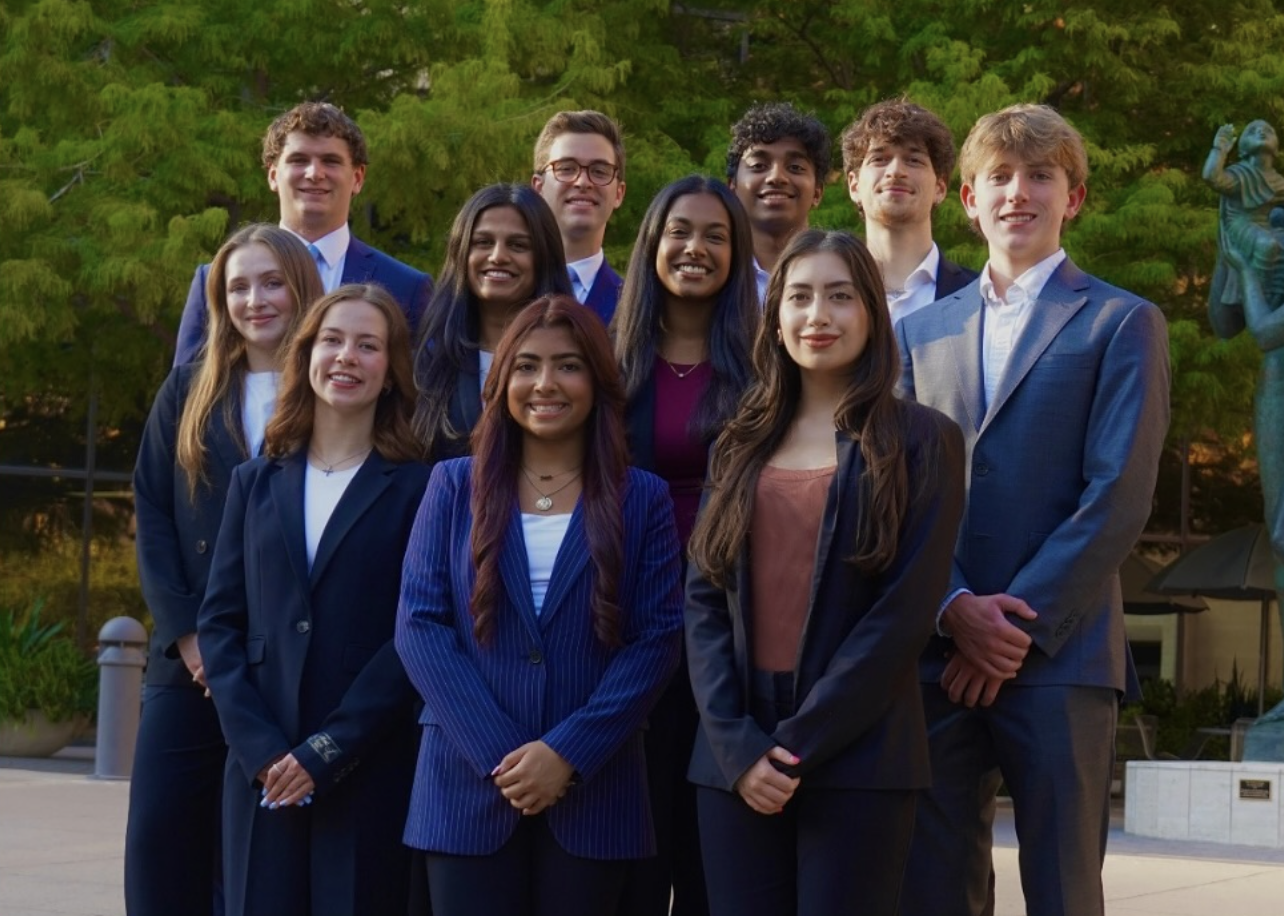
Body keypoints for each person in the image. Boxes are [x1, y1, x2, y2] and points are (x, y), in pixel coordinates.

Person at [896, 104, 1170, 916]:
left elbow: (1118, 496)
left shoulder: (1124, 322)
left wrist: (1007, 629)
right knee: (935, 889)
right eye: (1000, 178)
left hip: (1060, 659)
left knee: (1063, 892)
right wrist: (952, 608)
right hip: (939, 660)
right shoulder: (920, 335)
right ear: (969, 201)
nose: (1020, 192)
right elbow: (903, 496)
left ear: (1073, 198)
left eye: (1041, 176)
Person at [684, 229, 965, 916]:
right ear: (775, 318)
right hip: (736, 752)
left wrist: (797, 746)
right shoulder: (737, 443)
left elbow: (904, 611)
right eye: (801, 297)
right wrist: (738, 745)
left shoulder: (924, 440)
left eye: (840, 297)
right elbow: (703, 598)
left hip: (862, 749)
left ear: (871, 314)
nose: (819, 316)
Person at [396, 295, 684, 916]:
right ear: (501, 382)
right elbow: (419, 626)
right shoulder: (451, 485)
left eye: (568, 366)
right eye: (526, 366)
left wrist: (567, 754)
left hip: (595, 791)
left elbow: (658, 639)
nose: (545, 383)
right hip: (466, 788)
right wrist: (502, 753)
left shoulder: (644, 499)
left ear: (597, 381)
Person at [197, 284, 429, 916]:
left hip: (368, 768)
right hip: (262, 773)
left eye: (367, 345)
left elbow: (416, 632)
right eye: (332, 340)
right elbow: (219, 623)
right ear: (306, 358)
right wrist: (264, 751)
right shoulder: (255, 480)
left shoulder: (423, 487)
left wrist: (328, 751)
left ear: (390, 371)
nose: (346, 357)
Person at [127, 224, 322, 916]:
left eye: (272, 282)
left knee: (259, 857)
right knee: (161, 841)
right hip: (188, 664)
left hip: (282, 665)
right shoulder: (188, 389)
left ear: (301, 288)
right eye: (238, 286)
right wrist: (186, 635)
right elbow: (151, 511)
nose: (256, 299)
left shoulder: (333, 393)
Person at [610, 174, 758, 916]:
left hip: (731, 641)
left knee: (713, 870)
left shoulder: (770, 368)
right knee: (633, 865)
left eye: (715, 235)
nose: (695, 248)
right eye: (679, 232)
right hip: (624, 634)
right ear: (652, 245)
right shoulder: (605, 362)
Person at [174, 102, 433, 364]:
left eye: (330, 161)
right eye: (299, 160)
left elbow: (416, 397)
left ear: (358, 178)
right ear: (273, 175)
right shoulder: (216, 280)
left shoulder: (406, 287)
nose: (314, 173)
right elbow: (187, 393)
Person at [412, 183, 573, 462]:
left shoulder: (578, 355)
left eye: (518, 245)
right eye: (483, 242)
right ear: (461, 252)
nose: (498, 256)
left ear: (544, 257)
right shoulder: (429, 360)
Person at [841, 98, 977, 323]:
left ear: (940, 188)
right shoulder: (823, 293)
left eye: (913, 160)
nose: (895, 171)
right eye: (880, 159)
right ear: (854, 186)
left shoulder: (980, 295)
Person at [726, 102, 831, 301]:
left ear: (817, 192)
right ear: (733, 187)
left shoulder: (844, 274)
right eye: (758, 166)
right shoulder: (712, 275)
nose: (776, 177)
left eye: (795, 167)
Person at [532, 110, 628, 325]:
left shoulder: (634, 307)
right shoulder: (499, 292)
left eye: (600, 171)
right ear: (538, 187)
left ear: (619, 194)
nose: (583, 182)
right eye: (566, 168)